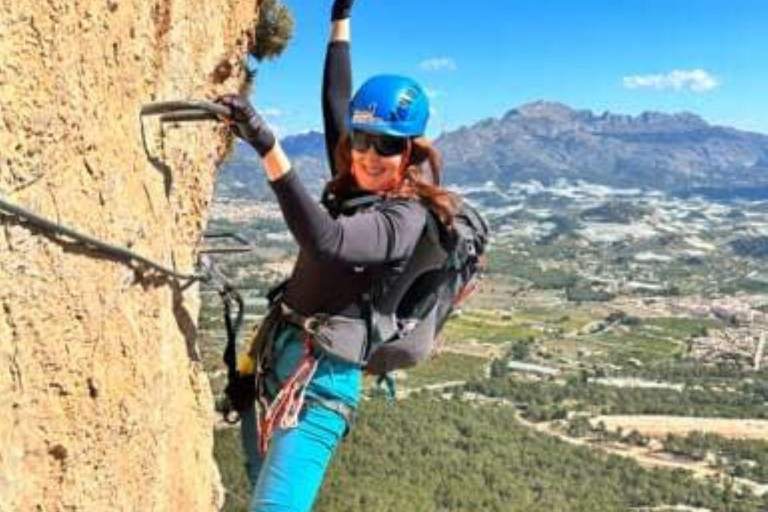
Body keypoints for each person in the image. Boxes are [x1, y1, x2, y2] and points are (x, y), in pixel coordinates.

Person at [217, 1, 459, 510]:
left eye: (387, 145)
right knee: (255, 480)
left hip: (322, 383)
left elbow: (326, 241)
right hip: (277, 356)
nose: (369, 154)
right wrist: (339, 17)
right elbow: (336, 99)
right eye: (363, 140)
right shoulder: (354, 177)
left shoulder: (404, 219)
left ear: (410, 153)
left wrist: (267, 146)